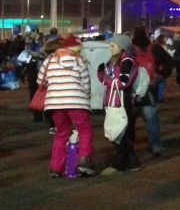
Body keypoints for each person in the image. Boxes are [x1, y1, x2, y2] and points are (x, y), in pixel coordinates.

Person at [38, 35, 95, 178]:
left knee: (61, 133)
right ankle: (83, 162)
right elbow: (86, 84)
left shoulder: (49, 60)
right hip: (77, 101)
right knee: (84, 130)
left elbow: (40, 81)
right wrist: (86, 96)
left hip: (55, 103)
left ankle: (56, 168)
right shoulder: (79, 60)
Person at [98, 33, 142, 174]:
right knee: (122, 134)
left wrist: (104, 79)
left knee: (120, 134)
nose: (110, 48)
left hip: (123, 101)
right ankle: (133, 163)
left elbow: (122, 83)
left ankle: (118, 165)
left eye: (113, 45)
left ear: (122, 47)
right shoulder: (115, 61)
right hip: (115, 101)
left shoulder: (127, 61)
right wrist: (103, 75)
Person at [131, 26, 163, 157]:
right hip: (149, 88)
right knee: (151, 119)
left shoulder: (130, 48)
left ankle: (129, 148)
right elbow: (169, 62)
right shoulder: (154, 48)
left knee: (129, 121)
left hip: (132, 89)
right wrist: (159, 77)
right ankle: (156, 147)